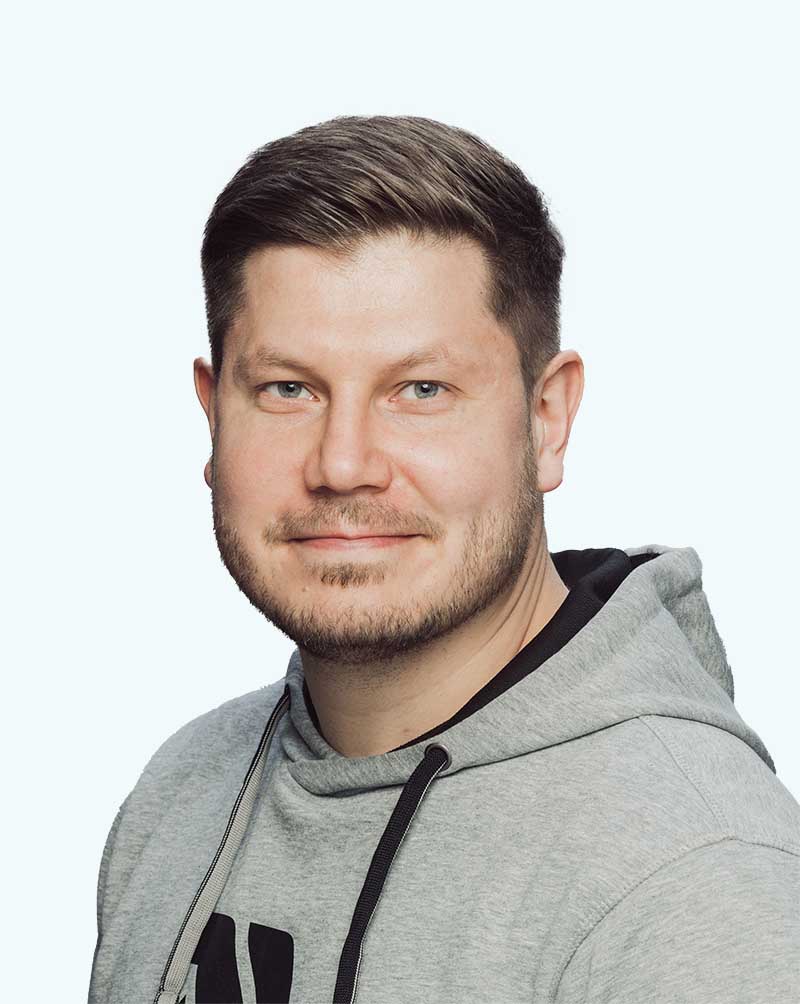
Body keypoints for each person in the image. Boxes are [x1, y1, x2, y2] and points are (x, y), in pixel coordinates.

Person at [87, 114, 800, 1004]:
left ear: (547, 420)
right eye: (288, 388)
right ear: (213, 414)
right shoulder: (181, 794)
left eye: (421, 389)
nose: (343, 463)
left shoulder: (697, 887)